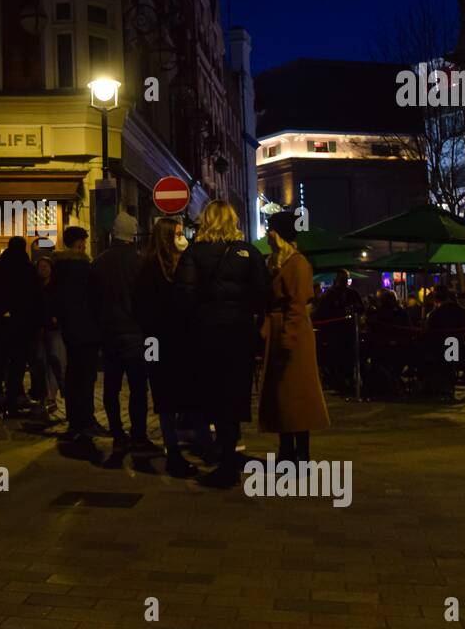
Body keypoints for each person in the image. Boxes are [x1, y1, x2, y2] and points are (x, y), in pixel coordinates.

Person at [177, 200, 271, 484]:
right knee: (235, 393)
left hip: (207, 334)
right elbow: (264, 294)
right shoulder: (249, 253)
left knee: (213, 395)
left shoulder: (194, 253)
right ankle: (230, 454)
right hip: (239, 334)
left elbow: (185, 296)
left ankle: (224, 460)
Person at [258, 209, 329, 464]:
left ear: (278, 234)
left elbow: (297, 306)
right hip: (281, 332)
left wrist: (288, 338)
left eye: (270, 229)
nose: (267, 233)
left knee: (296, 394)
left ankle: (300, 454)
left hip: (293, 335)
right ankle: (287, 451)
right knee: (282, 395)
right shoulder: (278, 263)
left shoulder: (297, 264)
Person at [134, 216, 195, 477]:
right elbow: (143, 307)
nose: (182, 238)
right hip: (160, 340)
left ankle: (178, 447)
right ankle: (173, 452)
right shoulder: (150, 267)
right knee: (165, 396)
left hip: (170, 339)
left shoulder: (176, 265)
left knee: (176, 394)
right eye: (179, 233)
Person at [92, 212, 152, 453]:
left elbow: (92, 301)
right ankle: (138, 434)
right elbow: (148, 300)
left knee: (111, 387)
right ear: (132, 235)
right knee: (138, 388)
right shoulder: (139, 263)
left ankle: (117, 432)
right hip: (136, 335)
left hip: (109, 333)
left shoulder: (98, 263)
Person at [0, 238, 41, 416]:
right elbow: (35, 297)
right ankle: (12, 399)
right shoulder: (28, 269)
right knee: (17, 363)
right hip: (22, 323)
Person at [52, 225, 102, 439]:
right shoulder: (84, 268)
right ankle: (87, 419)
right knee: (87, 376)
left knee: (73, 374)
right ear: (80, 244)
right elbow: (95, 299)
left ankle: (75, 420)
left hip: (69, 330)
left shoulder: (59, 267)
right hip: (88, 329)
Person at [30, 254, 66, 420]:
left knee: (55, 359)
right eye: (40, 267)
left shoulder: (57, 287)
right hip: (39, 328)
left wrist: (57, 317)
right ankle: (44, 396)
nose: (43, 270)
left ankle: (53, 395)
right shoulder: (35, 288)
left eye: (45, 267)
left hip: (53, 328)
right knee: (40, 361)